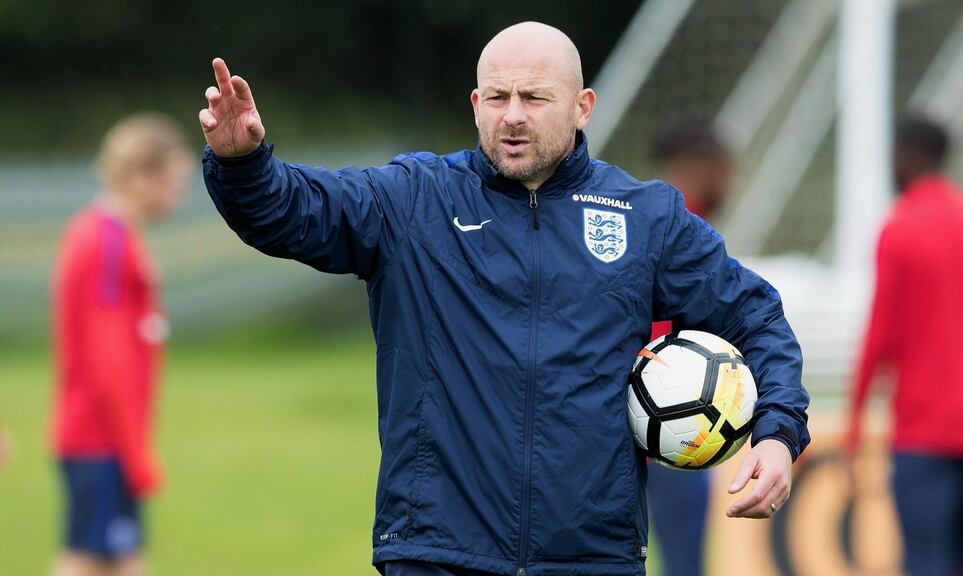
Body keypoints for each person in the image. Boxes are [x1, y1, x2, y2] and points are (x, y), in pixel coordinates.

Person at [199, 22, 810, 576]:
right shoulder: (416, 199)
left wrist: (777, 433)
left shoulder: (646, 217)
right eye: (497, 97)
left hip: (592, 556)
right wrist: (242, 163)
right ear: (476, 105)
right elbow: (293, 211)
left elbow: (755, 316)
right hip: (436, 551)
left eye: (534, 98)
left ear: (581, 107)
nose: (512, 115)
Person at [845, 116, 963, 576]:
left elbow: (880, 336)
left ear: (906, 157)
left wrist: (855, 421)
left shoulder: (900, 231)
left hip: (924, 434)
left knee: (926, 561)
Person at [51, 113, 192, 576]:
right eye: (174, 181)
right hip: (101, 438)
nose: (179, 195)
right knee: (93, 561)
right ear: (142, 174)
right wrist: (135, 453)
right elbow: (106, 357)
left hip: (102, 437)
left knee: (112, 561)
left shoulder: (109, 235)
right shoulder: (106, 241)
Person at [647, 121, 734, 576]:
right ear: (701, 169)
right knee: (685, 562)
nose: (731, 183)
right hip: (672, 418)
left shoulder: (653, 220)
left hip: (656, 418)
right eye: (726, 171)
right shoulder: (686, 230)